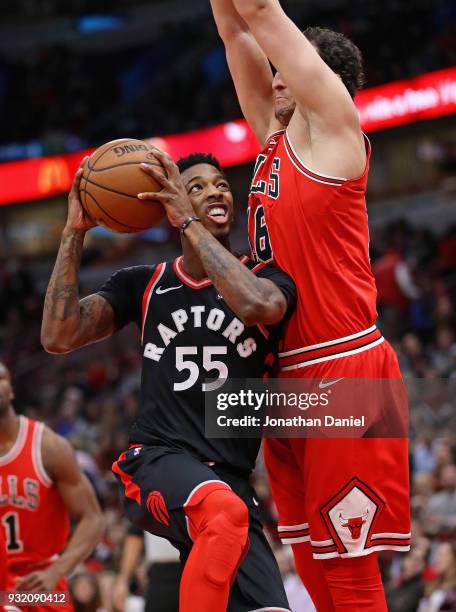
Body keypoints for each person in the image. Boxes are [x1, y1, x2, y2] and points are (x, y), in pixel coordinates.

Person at [210, 1, 411, 609]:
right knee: (310, 560)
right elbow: (236, 28)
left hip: (343, 367)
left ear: (323, 83)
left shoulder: (335, 131)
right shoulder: (274, 141)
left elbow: (264, 13)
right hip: (284, 377)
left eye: (289, 67)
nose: (275, 76)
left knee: (349, 566)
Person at [41, 152, 296, 612]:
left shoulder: (264, 278)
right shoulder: (144, 283)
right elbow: (58, 335)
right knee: (222, 513)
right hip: (158, 461)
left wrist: (187, 222)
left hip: (231, 481)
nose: (215, 191)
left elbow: (261, 307)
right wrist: (73, 234)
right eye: (195, 187)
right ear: (171, 201)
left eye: (220, 184)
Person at [0, 363, 104, 612]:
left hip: (40, 586)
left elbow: (93, 518)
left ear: (12, 390)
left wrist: (57, 570)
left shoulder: (47, 446)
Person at [112, 524, 181, 612]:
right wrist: (123, 580)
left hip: (194, 568)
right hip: (161, 575)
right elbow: (135, 537)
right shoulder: (144, 511)